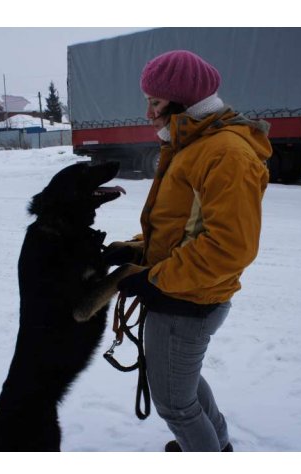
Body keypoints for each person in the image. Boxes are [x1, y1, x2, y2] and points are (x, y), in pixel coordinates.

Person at [107, 50, 272, 452]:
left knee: (176, 404)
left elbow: (228, 248)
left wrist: (153, 280)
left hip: (187, 300)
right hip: (183, 292)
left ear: (183, 102)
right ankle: (218, 448)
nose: (148, 113)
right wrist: (132, 251)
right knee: (182, 382)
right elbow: (180, 228)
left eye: (155, 102)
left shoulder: (224, 153)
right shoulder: (195, 145)